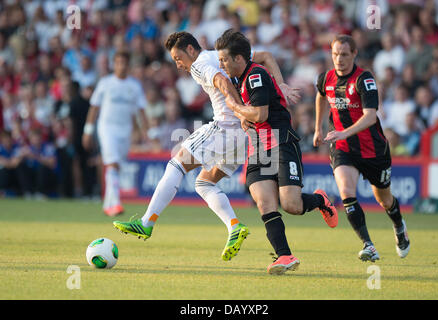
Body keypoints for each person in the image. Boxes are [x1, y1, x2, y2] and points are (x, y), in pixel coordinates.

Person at [113, 31, 299, 262]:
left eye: (178, 58)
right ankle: (234, 227)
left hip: (227, 128)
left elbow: (221, 82)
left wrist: (238, 108)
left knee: (176, 164)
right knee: (203, 182)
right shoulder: (222, 56)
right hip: (246, 136)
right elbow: (266, 56)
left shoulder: (199, 64)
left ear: (190, 50)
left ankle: (146, 222)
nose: (179, 65)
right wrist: (281, 86)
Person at [215, 29, 337, 274]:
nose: (221, 65)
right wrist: (245, 114)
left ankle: (320, 200)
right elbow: (268, 56)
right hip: (258, 146)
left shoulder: (255, 76)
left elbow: (261, 114)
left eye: (224, 60)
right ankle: (285, 256)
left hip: (281, 142)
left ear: (239, 58)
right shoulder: (238, 75)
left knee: (291, 204)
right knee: (264, 203)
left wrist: (236, 107)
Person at [313, 34, 410, 262]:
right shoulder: (325, 78)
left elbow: (370, 116)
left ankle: (398, 225)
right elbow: (320, 96)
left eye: (344, 54)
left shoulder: (364, 79)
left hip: (372, 149)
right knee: (347, 192)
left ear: (354, 54)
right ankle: (369, 245)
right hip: (343, 147)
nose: (339, 59)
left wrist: (344, 132)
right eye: (335, 54)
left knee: (384, 200)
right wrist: (318, 128)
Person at [82, 51, 150, 216]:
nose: (121, 66)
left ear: (128, 65)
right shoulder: (105, 83)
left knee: (116, 166)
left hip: (125, 130)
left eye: (124, 63)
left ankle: (108, 204)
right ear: (114, 64)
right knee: (111, 163)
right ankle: (116, 203)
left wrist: (148, 133)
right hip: (107, 128)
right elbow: (94, 107)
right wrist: (88, 131)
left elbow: (141, 111)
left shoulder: (134, 86)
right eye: (118, 62)